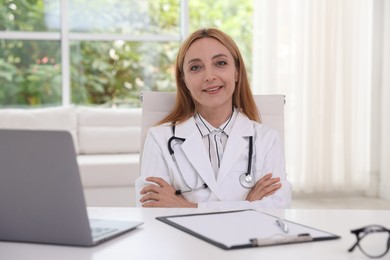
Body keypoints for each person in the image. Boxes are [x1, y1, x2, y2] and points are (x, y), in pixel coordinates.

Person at [135, 28, 292, 209]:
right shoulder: (159, 138)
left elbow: (279, 207)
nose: (209, 76)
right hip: (181, 238)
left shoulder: (267, 139)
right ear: (184, 80)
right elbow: (150, 209)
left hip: (247, 237)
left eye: (220, 63)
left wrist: (186, 206)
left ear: (237, 72)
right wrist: (248, 205)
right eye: (195, 67)